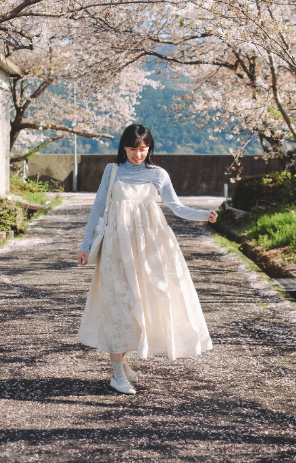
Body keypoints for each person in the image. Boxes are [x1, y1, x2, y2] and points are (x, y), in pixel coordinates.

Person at [75, 124, 219, 394]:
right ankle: (117, 372)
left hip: (151, 249)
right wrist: (85, 246)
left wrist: (204, 215)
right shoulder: (113, 170)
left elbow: (177, 207)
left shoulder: (158, 174)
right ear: (124, 148)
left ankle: (124, 363)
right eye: (132, 149)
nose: (138, 154)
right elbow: (97, 208)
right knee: (119, 303)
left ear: (149, 148)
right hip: (117, 248)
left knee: (144, 303)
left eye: (143, 149)